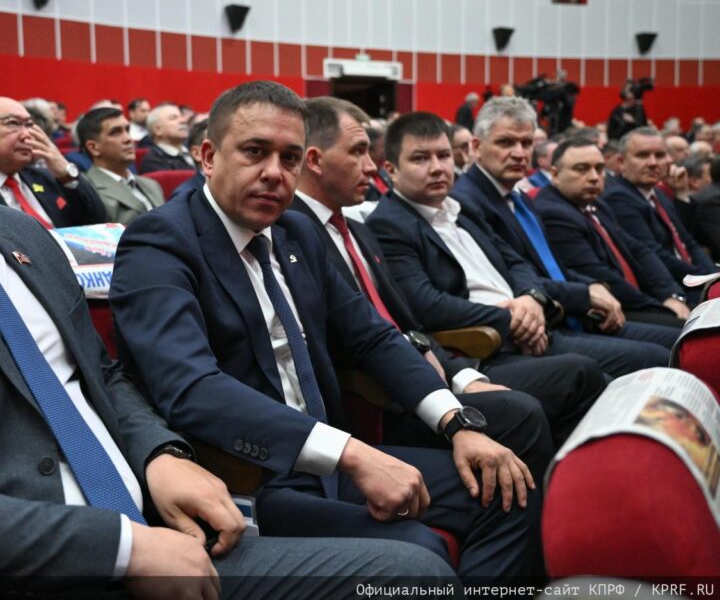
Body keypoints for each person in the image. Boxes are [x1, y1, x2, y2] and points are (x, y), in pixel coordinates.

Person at [0, 2, 445, 598]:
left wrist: (160, 455)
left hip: (160, 532)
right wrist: (121, 547)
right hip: (12, 572)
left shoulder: (15, 233)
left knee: (415, 572)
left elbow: (102, 376)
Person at [111, 81, 542, 582]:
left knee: (507, 490)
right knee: (417, 550)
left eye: (290, 158)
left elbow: (373, 336)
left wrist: (457, 423)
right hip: (252, 476)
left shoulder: (296, 231)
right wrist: (352, 454)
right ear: (209, 156)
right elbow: (191, 388)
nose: (274, 173)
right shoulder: (161, 240)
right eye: (255, 152)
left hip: (333, 459)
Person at [290, 96, 576, 455]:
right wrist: (447, 394)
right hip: (378, 398)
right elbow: (363, 337)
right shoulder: (295, 235)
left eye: (444, 156)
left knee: (569, 380)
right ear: (315, 160)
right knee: (524, 410)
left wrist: (462, 376)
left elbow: (407, 324)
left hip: (427, 371)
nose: (371, 167)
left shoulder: (357, 231)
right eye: (359, 152)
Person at [368, 111, 666, 380]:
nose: (437, 168)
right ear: (391, 170)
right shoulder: (389, 223)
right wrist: (513, 317)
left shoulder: (462, 206)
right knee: (635, 363)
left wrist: (530, 298)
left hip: (533, 324)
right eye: (420, 159)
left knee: (655, 355)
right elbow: (427, 304)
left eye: (444, 156)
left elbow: (515, 262)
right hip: (489, 344)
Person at [452, 99, 679, 353]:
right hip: (538, 328)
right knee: (662, 351)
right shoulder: (468, 201)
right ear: (476, 146)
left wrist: (592, 286)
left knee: (681, 337)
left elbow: (553, 266)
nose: (519, 153)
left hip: (573, 313)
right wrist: (584, 294)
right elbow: (513, 275)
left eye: (526, 143)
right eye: (506, 142)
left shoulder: (519, 197)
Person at [533, 130, 690, 330]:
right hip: (607, 312)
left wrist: (671, 295)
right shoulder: (554, 213)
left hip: (634, 301)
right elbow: (599, 275)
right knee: (691, 331)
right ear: (555, 174)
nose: (594, 177)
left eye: (599, 169)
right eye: (581, 169)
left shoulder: (597, 204)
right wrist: (660, 308)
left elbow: (639, 251)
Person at [600, 127, 715, 296]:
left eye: (660, 155)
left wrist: (713, 275)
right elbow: (654, 254)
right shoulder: (618, 197)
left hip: (692, 281)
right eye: (643, 155)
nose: (653, 163)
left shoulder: (657, 193)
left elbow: (688, 242)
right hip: (671, 290)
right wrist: (706, 279)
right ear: (621, 161)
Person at [0, 96, 106, 228]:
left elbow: (98, 222)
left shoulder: (45, 178)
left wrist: (66, 173)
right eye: (13, 123)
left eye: (29, 125)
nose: (27, 134)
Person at [81, 107, 165, 224]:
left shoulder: (152, 185)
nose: (128, 139)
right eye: (115, 132)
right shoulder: (87, 191)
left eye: (127, 130)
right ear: (94, 148)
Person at [139, 103, 196, 173]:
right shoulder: (153, 161)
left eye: (181, 116)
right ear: (158, 130)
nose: (183, 121)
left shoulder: (194, 151)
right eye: (173, 118)